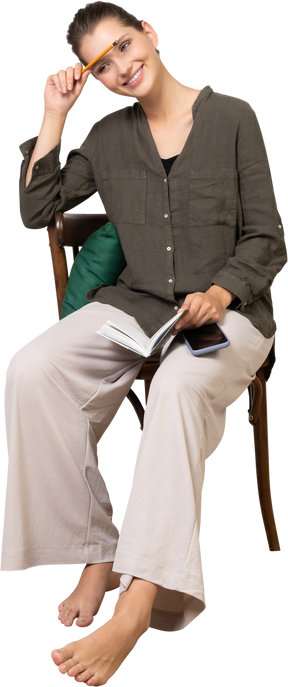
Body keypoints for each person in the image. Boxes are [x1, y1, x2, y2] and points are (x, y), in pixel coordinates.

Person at [6, 1, 287, 685]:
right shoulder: (105, 136)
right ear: (94, 78)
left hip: (228, 314)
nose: (123, 67)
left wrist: (220, 291)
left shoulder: (236, 117)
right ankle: (95, 548)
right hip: (137, 309)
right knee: (30, 366)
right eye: (102, 66)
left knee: (180, 385)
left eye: (126, 47)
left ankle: (139, 602)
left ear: (151, 34)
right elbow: (35, 212)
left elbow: (269, 238)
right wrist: (54, 116)